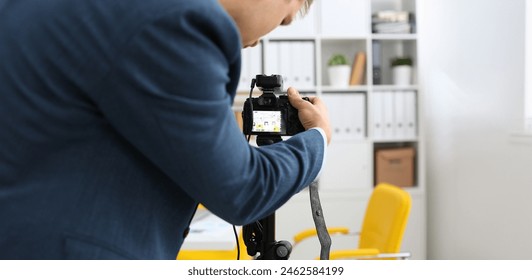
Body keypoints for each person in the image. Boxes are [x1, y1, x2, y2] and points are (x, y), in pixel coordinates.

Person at [0, 0, 330, 259]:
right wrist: (317, 139)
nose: (259, 41)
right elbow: (242, 189)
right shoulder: (176, 21)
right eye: (283, 20)